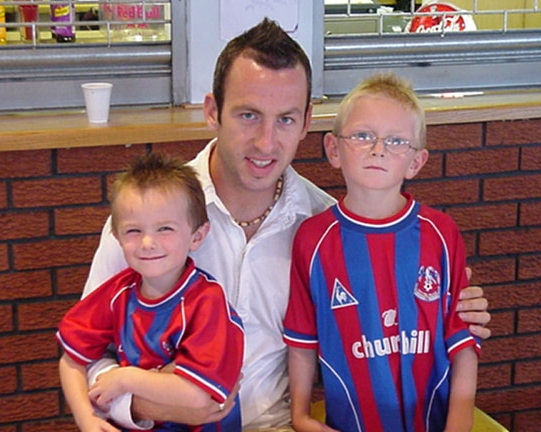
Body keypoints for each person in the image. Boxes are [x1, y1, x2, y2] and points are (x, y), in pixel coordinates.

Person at [81, 18, 491, 431]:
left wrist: (452, 305)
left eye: (286, 120)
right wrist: (147, 407)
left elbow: (390, 320)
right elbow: (86, 353)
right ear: (212, 111)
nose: (266, 142)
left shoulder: (326, 227)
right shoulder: (150, 218)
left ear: (308, 121)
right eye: (248, 115)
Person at [283, 73, 480, 432]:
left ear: (416, 162)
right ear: (333, 149)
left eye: (396, 141)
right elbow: (302, 338)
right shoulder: (313, 240)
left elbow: (462, 341)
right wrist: (300, 416)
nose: (378, 149)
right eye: (362, 135)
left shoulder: (440, 233)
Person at [57, 153, 244, 432]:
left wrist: (126, 379)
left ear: (197, 235)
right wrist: (86, 418)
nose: (147, 242)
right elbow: (71, 359)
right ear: (116, 236)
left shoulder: (207, 301)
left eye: (164, 228)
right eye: (133, 230)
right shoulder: (116, 294)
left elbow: (196, 395)